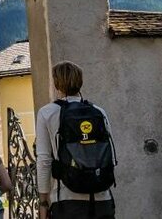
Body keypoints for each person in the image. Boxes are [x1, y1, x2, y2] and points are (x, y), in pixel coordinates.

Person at [35, 61, 116, 219]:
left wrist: (43, 202)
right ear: (80, 82)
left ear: (57, 84)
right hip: (102, 199)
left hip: (67, 200)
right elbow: (110, 157)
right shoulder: (98, 111)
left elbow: (44, 160)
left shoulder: (47, 113)